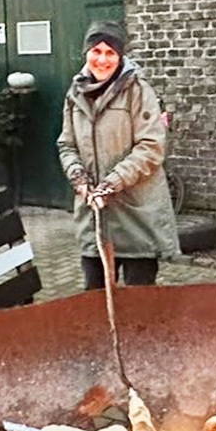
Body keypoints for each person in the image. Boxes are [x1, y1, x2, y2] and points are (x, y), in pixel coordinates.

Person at [56, 21, 178, 289]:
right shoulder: (75, 93)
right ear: (87, 52)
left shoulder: (138, 91)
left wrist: (111, 184)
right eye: (96, 51)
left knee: (139, 302)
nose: (102, 60)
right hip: (95, 218)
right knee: (95, 297)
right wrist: (78, 178)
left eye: (110, 53)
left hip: (136, 216)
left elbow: (151, 147)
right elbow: (67, 144)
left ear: (120, 56)